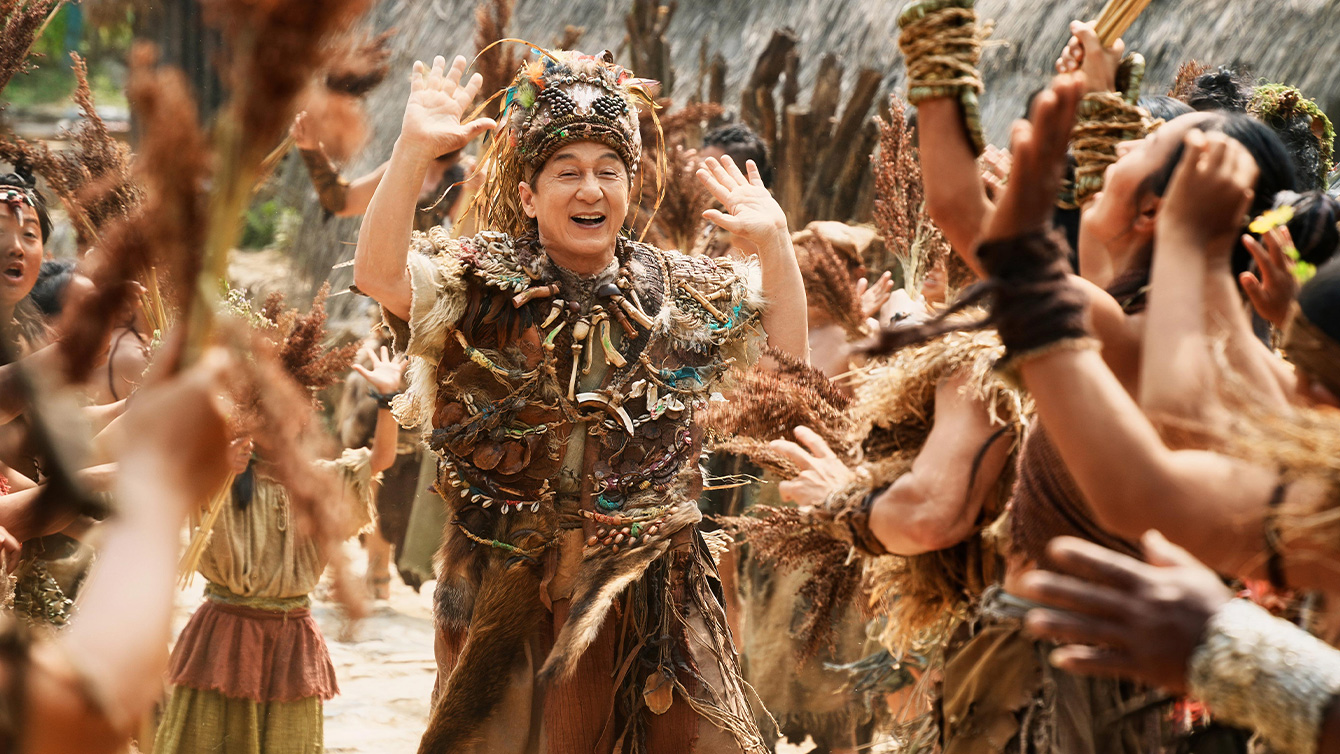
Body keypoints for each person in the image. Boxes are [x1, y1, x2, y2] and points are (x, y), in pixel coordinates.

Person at [354, 50, 807, 752]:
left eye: (607, 171)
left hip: (649, 592)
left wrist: (776, 245)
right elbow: (380, 275)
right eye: (567, 172)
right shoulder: (481, 285)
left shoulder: (684, 292)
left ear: (631, 185)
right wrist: (413, 149)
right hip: (506, 588)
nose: (590, 189)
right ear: (529, 195)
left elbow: (786, 378)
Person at [153, 301, 405, 754]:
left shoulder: (319, 481)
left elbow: (380, 460)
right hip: (224, 636)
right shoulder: (217, 473)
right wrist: (216, 463)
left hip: (290, 639)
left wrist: (387, 400)